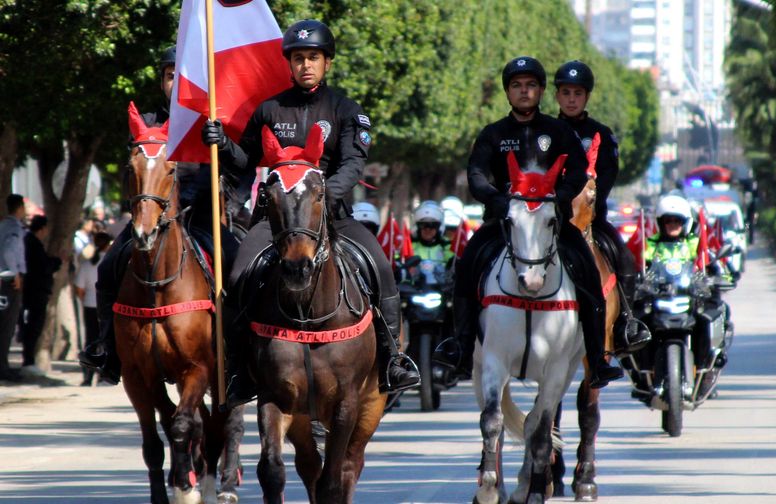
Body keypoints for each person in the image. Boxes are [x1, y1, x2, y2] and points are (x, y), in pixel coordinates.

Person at [201, 19, 420, 404]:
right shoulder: (269, 109)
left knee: (382, 269)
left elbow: (353, 164)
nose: (305, 64)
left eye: (313, 57)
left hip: (332, 216)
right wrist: (221, 142)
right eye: (299, 58)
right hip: (275, 221)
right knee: (237, 277)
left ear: (327, 63)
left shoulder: (346, 110)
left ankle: (392, 359)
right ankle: (238, 369)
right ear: (289, 63)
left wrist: (319, 195)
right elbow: (245, 161)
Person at [434, 56, 623, 389]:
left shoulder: (558, 130)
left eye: (531, 85)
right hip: (503, 223)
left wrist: (560, 197)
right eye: (517, 86)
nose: (524, 92)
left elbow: (578, 170)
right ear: (508, 92)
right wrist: (496, 200)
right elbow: (476, 174)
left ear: (540, 91)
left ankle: (597, 358)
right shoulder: (493, 133)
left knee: (591, 276)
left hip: (552, 225)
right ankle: (461, 349)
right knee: (464, 268)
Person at [79, 45, 242, 384]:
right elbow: (137, 174)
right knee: (109, 267)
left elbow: (241, 167)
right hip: (152, 218)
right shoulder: (147, 123)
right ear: (162, 82)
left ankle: (239, 352)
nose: (177, 84)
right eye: (171, 77)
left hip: (201, 217)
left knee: (238, 264)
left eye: (183, 78)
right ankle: (106, 346)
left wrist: (222, 142)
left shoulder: (211, 122)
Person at [553, 60, 650, 354]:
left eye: (577, 93)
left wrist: (586, 205)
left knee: (624, 260)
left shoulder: (601, 135)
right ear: (557, 95)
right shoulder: (544, 132)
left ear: (587, 97)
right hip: (551, 219)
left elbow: (607, 177)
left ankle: (627, 325)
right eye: (566, 92)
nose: (571, 99)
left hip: (591, 220)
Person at [20, 215, 61, 375]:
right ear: (42, 229)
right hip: (34, 292)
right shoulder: (33, 243)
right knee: (32, 327)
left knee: (32, 327)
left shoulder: (32, 242)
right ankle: (28, 361)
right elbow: (42, 267)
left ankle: (29, 360)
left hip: (34, 291)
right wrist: (57, 261)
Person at [76, 232, 112, 386]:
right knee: (107, 341)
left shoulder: (87, 264)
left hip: (89, 305)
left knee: (90, 341)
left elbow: (79, 289)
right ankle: (104, 375)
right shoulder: (112, 263)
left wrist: (87, 299)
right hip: (107, 307)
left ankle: (87, 376)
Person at [0, 194, 27, 381]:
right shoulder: (14, 228)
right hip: (9, 280)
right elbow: (9, 251)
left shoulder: (2, 226)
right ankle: (3, 366)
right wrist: (15, 272)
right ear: (19, 208)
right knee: (7, 325)